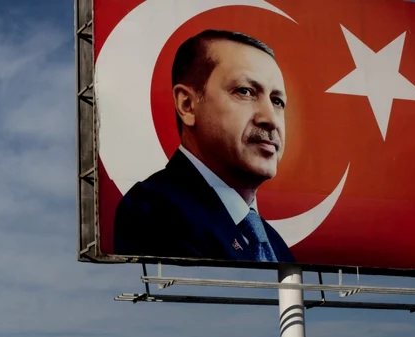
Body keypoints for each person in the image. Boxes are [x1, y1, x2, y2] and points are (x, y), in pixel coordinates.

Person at [113, 29, 295, 263]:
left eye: (277, 101)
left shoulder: (275, 245)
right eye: (245, 91)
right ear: (187, 105)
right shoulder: (156, 211)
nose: (270, 118)